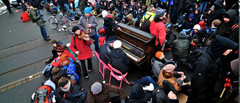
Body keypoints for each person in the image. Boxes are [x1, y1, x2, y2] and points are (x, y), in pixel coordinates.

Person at [187, 35, 238, 103]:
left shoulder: (215, 56)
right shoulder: (203, 62)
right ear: (222, 48)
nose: (230, 51)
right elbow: (198, 83)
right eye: (228, 49)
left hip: (208, 90)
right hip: (199, 96)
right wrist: (201, 98)